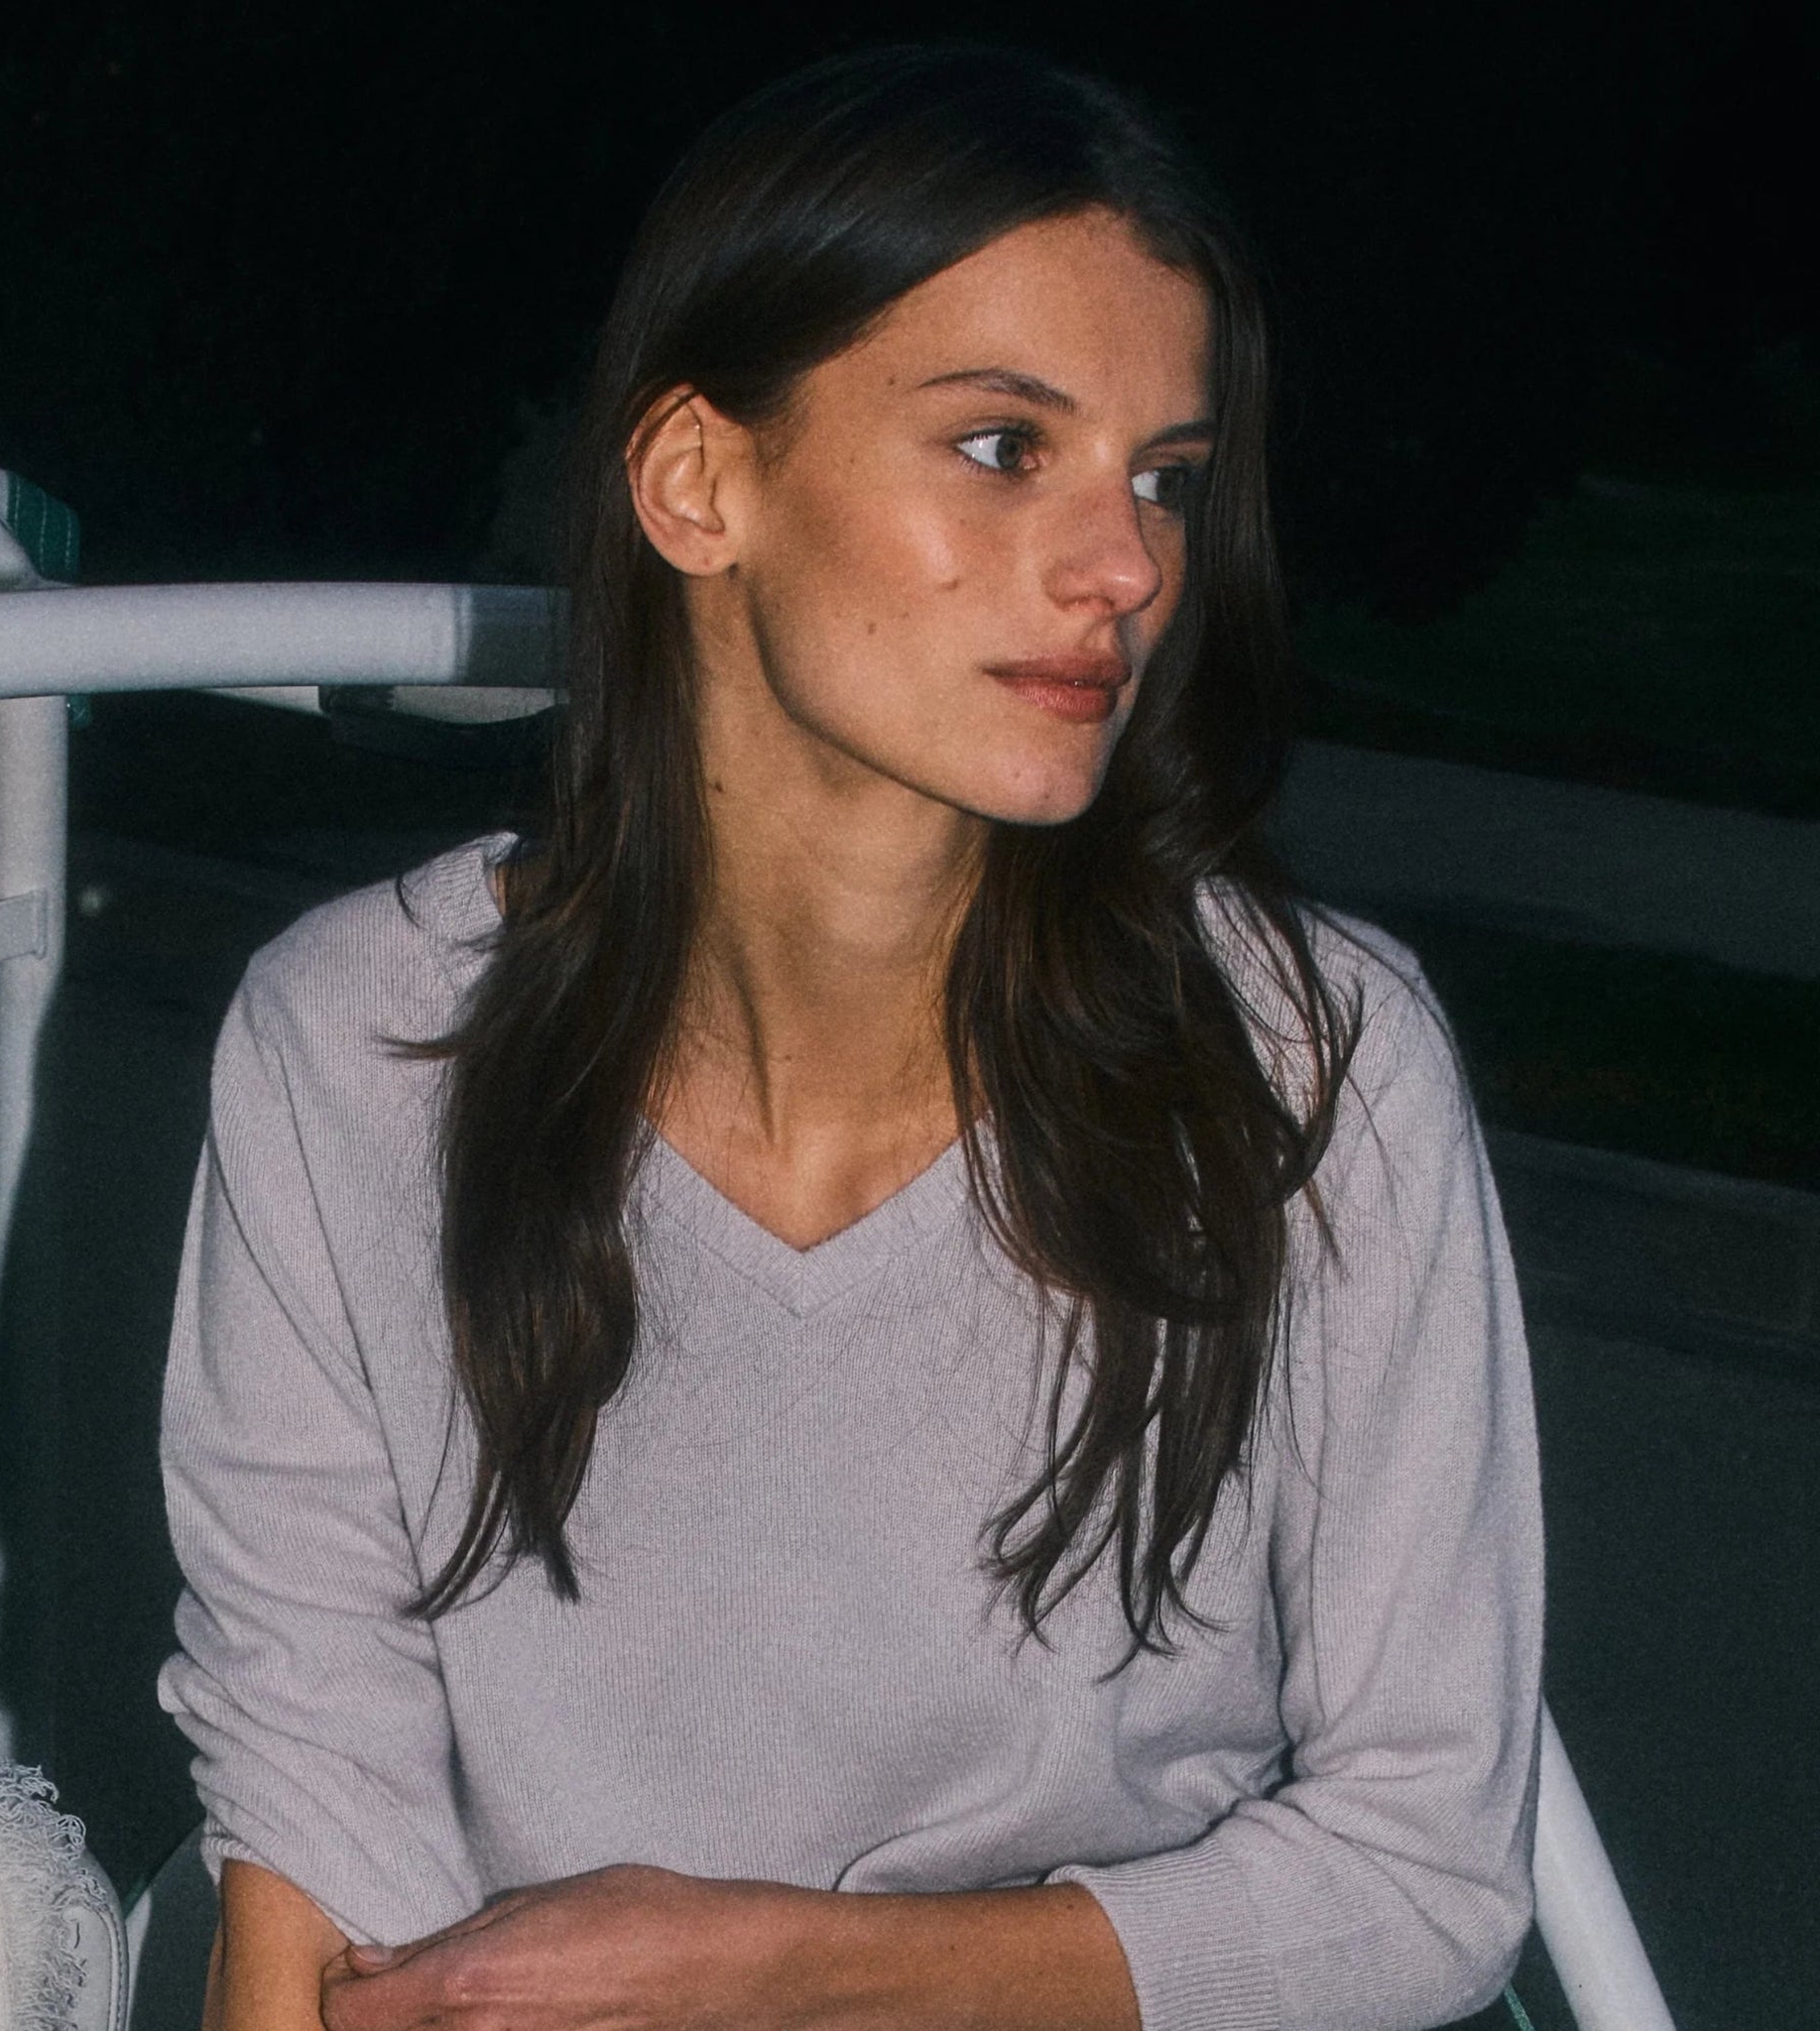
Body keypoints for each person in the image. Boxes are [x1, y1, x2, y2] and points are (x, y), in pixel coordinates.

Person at [159, 44, 1542, 2031]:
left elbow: (1423, 1876)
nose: (1126, 567)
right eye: (1003, 445)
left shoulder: (1305, 1069)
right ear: (699, 483)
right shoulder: (356, 1047)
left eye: (1162, 475)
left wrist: (775, 1971)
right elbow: (314, 1822)